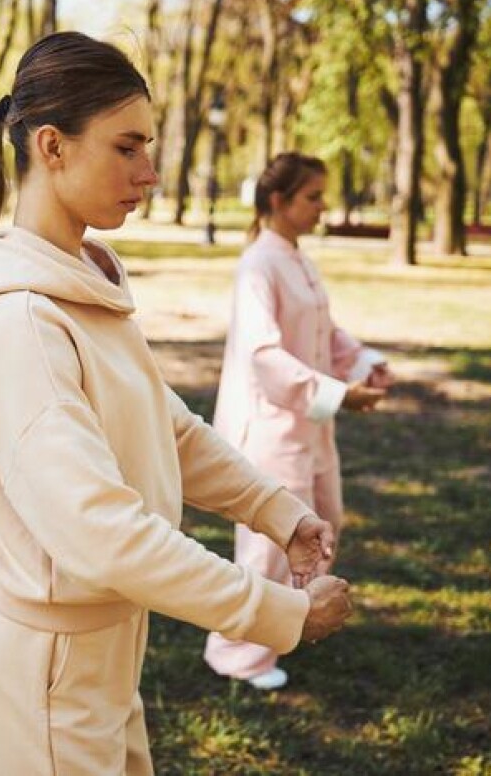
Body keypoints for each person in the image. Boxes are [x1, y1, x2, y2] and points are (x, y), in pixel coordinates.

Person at [0, 32, 354, 775]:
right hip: (41, 673)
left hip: (96, 651)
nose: (148, 174)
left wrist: (279, 512)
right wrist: (279, 613)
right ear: (51, 146)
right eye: (127, 147)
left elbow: (165, 427)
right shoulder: (21, 320)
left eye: (148, 146)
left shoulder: (81, 282)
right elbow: (99, 530)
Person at [203, 152, 394, 691]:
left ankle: (290, 627)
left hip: (312, 426)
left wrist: (364, 365)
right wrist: (338, 395)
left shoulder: (297, 258)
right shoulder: (258, 265)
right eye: (312, 197)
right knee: (267, 547)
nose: (322, 206)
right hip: (270, 428)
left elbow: (325, 334)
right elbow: (264, 356)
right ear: (279, 202)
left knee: (323, 524)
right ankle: (236, 655)